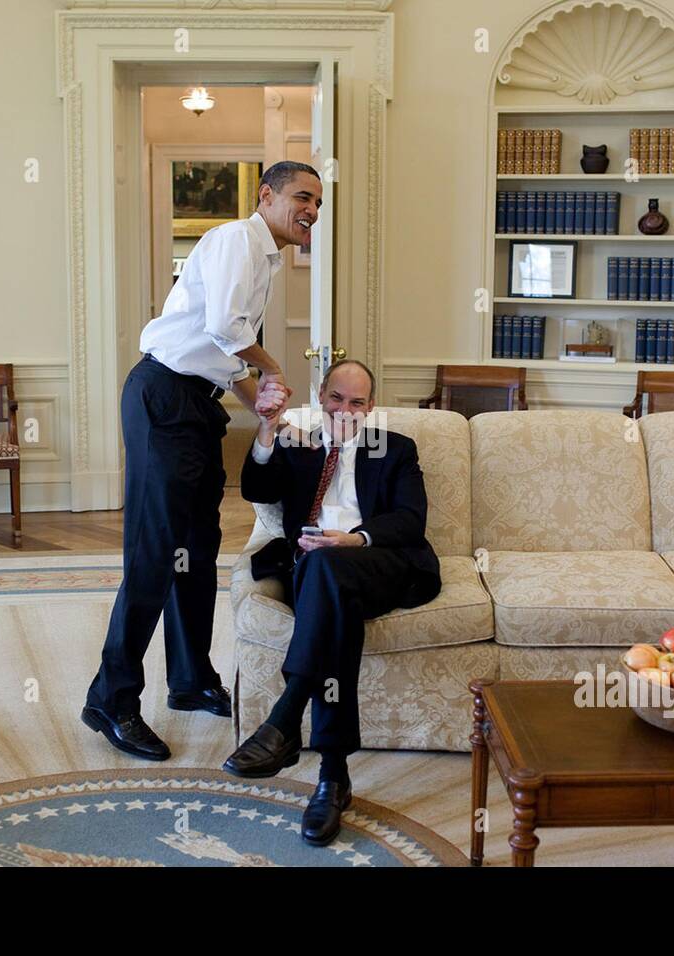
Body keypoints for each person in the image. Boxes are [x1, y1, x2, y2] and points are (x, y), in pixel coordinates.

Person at [82, 161, 322, 761]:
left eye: (318, 202)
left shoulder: (262, 257)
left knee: (196, 548)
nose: (312, 211)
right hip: (163, 397)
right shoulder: (236, 240)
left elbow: (223, 352)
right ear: (266, 195)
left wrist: (264, 408)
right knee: (155, 550)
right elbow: (223, 328)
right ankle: (111, 698)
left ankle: (188, 680)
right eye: (302, 197)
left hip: (195, 404)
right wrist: (272, 368)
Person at [222, 360, 443, 846]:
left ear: (371, 408)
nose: (345, 410)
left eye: (357, 402)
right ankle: (332, 777)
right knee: (328, 593)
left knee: (328, 571)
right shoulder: (297, 445)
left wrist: (355, 538)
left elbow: (410, 521)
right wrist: (264, 425)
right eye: (337, 398)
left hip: (378, 562)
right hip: (316, 570)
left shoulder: (397, 449)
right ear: (321, 396)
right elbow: (257, 488)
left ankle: (285, 720)